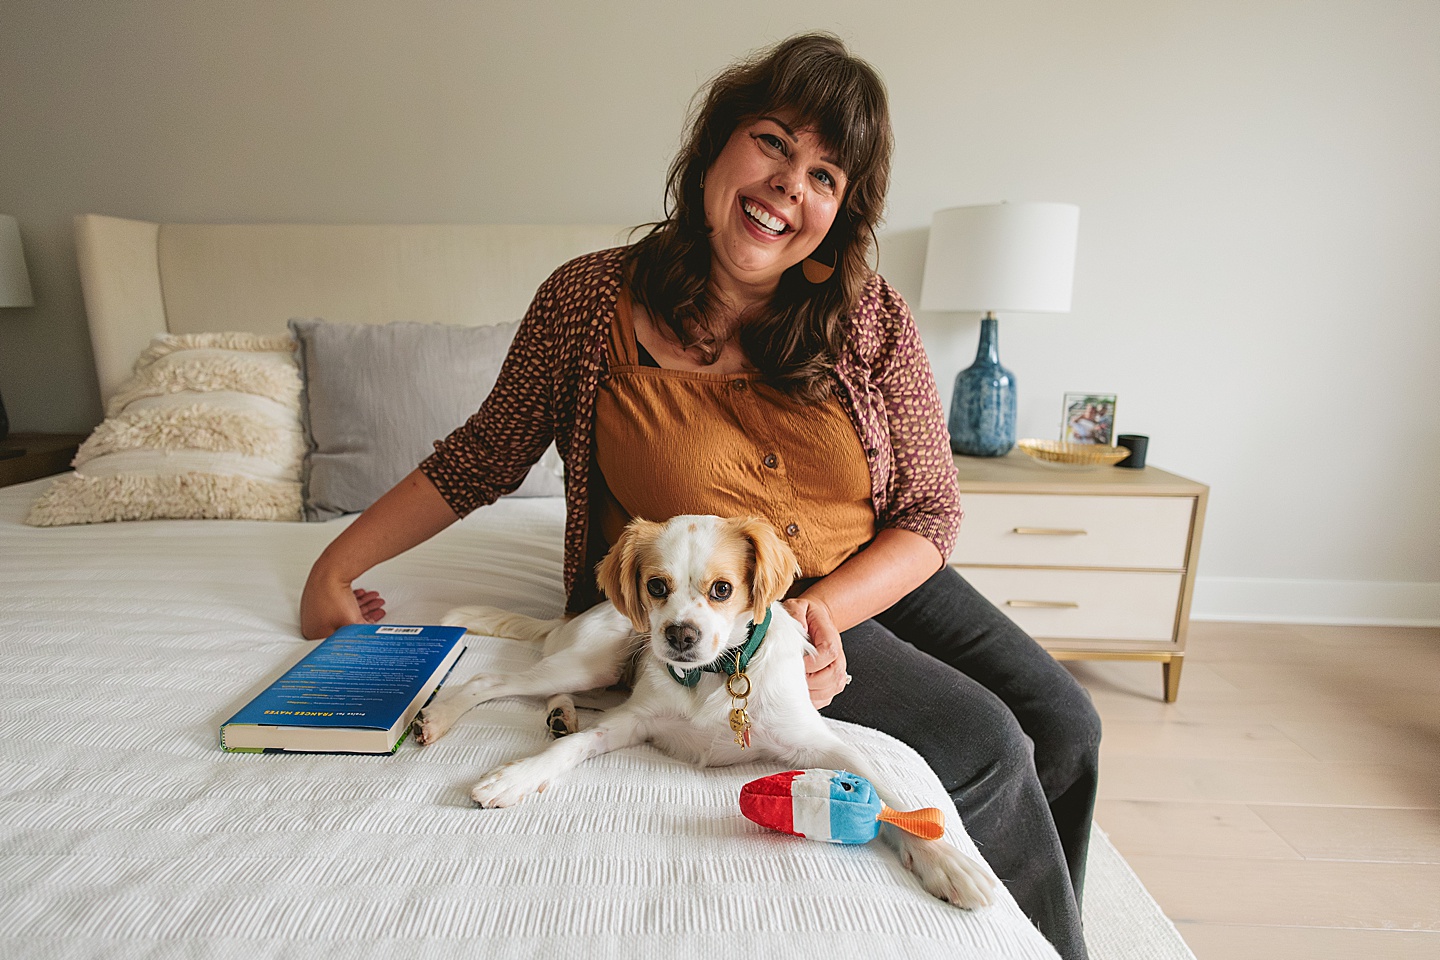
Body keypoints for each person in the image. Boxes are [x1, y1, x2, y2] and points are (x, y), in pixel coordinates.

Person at [299, 33, 1099, 960]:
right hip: (726, 604)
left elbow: (930, 511)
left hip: (861, 578)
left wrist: (812, 616)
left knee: (1068, 725)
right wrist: (336, 563)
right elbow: (484, 453)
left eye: (826, 176)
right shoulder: (590, 302)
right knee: (987, 746)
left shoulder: (869, 315)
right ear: (715, 147)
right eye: (773, 143)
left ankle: (1057, 931)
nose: (789, 187)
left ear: (840, 213)